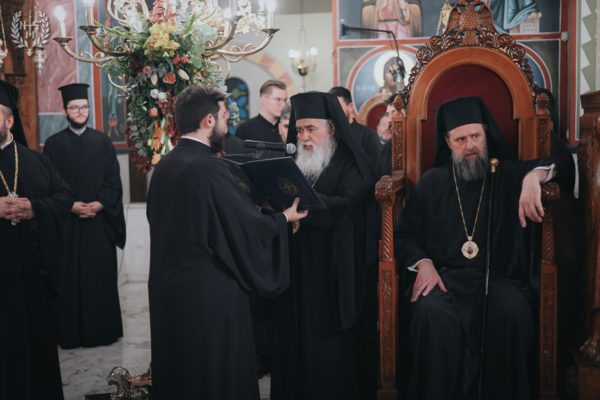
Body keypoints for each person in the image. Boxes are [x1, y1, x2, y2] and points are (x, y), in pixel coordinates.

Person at [395, 96, 574, 400]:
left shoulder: (505, 175)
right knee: (429, 312)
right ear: (447, 142)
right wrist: (423, 262)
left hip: (498, 279)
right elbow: (403, 233)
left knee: (513, 311)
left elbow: (565, 163)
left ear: (486, 134)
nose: (471, 146)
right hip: (445, 279)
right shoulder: (431, 184)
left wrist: (534, 176)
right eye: (460, 139)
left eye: (476, 136)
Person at [147, 86, 307, 399]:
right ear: (208, 120)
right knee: (215, 372)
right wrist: (282, 218)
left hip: (169, 290)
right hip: (209, 294)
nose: (226, 124)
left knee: (182, 369)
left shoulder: (165, 166)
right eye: (223, 117)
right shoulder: (210, 169)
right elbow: (243, 227)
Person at [271, 91, 377, 400]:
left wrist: (303, 204)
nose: (304, 136)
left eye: (311, 129)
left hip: (333, 270)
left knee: (327, 349)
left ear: (331, 127)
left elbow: (349, 204)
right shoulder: (296, 164)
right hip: (297, 265)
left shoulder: (351, 163)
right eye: (300, 129)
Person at [0, 80, 73, 400]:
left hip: (33, 278)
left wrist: (35, 208)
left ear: (9, 120)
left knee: (35, 345)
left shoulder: (36, 161)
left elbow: (64, 198)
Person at [44, 83, 126, 349]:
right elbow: (49, 184)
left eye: (84, 107)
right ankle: (71, 334)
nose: (80, 111)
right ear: (65, 111)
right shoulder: (54, 145)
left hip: (98, 224)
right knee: (70, 279)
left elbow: (114, 181)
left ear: (89, 109)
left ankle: (103, 332)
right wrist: (70, 205)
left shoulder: (103, 142)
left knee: (99, 278)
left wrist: (100, 204)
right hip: (68, 224)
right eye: (74, 107)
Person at [329, 86, 382, 167]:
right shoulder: (326, 136)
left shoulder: (368, 136)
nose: (333, 111)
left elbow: (376, 169)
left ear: (350, 107)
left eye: (337, 107)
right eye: (330, 107)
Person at [235, 79, 288, 143]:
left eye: (285, 100)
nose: (283, 105)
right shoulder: (245, 129)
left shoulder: (289, 127)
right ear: (263, 99)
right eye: (278, 99)